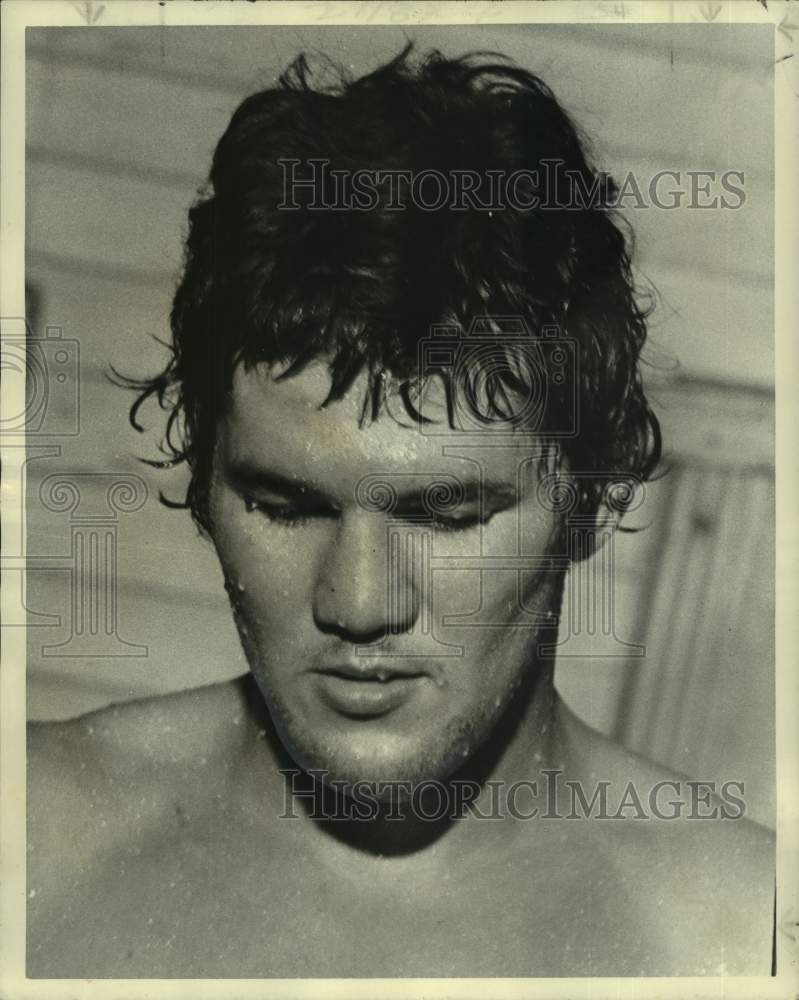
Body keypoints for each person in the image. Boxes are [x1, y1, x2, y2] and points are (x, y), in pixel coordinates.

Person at [27, 45, 773, 978]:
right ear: (204, 482)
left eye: (447, 514)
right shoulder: (33, 838)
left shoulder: (746, 936)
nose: (358, 601)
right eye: (285, 505)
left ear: (586, 497)